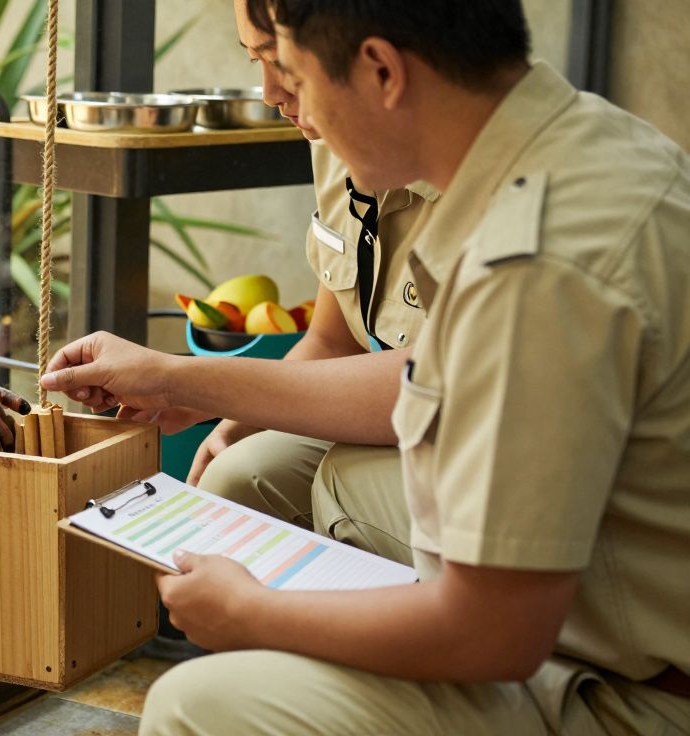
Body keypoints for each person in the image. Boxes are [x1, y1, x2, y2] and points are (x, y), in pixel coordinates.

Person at [40, 0, 690, 732]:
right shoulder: (588, 146)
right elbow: (426, 379)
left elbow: (494, 631)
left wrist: (257, 613)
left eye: (292, 69)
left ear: (381, 69)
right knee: (321, 478)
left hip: (640, 695)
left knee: (192, 707)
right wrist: (188, 386)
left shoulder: (531, 266)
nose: (279, 97)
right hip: (616, 583)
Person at [189, 0, 438, 565]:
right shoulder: (333, 143)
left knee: (342, 480)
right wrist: (235, 422)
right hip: (409, 410)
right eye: (254, 60)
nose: (269, 93)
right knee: (235, 477)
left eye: (281, 61)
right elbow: (332, 341)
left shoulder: (487, 184)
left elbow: (439, 389)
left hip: (461, 437)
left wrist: (188, 382)